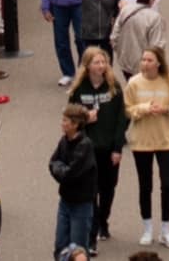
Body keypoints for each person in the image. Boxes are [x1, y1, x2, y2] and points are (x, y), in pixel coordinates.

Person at [124, 46, 169, 249]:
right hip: (142, 141)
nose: (145, 63)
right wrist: (144, 109)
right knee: (145, 185)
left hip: (166, 140)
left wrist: (166, 109)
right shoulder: (133, 83)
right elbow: (127, 109)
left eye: (149, 60)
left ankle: (166, 230)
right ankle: (147, 228)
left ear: (158, 63)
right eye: (143, 60)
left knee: (167, 184)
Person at [66, 47, 128, 247]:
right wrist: (85, 119)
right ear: (87, 66)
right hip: (87, 150)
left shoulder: (114, 87)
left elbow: (122, 118)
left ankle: (103, 220)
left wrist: (118, 148)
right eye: (96, 62)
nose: (101, 66)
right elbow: (69, 120)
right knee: (91, 191)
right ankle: (91, 232)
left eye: (103, 62)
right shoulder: (78, 90)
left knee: (108, 188)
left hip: (109, 148)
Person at [50, 103, 100, 255]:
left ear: (75, 124)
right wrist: (60, 168)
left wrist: (59, 168)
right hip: (65, 201)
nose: (62, 123)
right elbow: (52, 162)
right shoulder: (64, 141)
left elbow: (70, 174)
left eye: (65, 120)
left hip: (81, 205)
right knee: (60, 246)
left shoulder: (85, 146)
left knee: (78, 250)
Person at [112, 0, 167, 84]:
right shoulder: (154, 18)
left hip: (126, 63)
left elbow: (114, 36)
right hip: (147, 66)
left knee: (132, 90)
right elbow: (157, 46)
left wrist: (121, 53)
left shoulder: (125, 11)